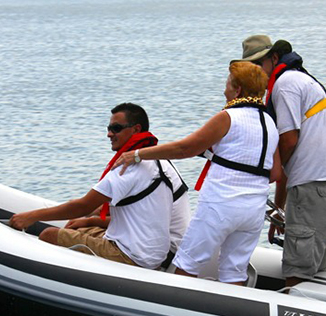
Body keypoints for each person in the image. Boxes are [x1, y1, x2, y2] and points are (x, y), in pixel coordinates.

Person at [113, 62, 281, 285]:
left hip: (221, 204)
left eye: (227, 84)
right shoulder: (270, 123)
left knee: (187, 263)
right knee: (234, 271)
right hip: (253, 211)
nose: (224, 90)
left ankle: (175, 305)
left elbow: (185, 149)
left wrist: (137, 155)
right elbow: (275, 173)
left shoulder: (228, 117)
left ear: (238, 89)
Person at [9, 103, 188, 269]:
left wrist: (31, 216)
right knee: (77, 228)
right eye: (108, 128)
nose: (109, 134)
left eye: (116, 128)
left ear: (136, 129)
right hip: (153, 253)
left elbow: (83, 206)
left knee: (49, 235)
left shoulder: (127, 168)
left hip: (132, 255)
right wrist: (89, 219)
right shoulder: (160, 162)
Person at [234, 35, 326, 287]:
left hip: (314, 188)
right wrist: (280, 209)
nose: (256, 72)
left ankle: (293, 304)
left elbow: (288, 142)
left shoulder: (284, 84)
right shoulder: (300, 78)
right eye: (251, 67)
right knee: (315, 268)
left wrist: (265, 174)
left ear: (274, 58)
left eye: (259, 64)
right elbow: (291, 159)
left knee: (297, 271)